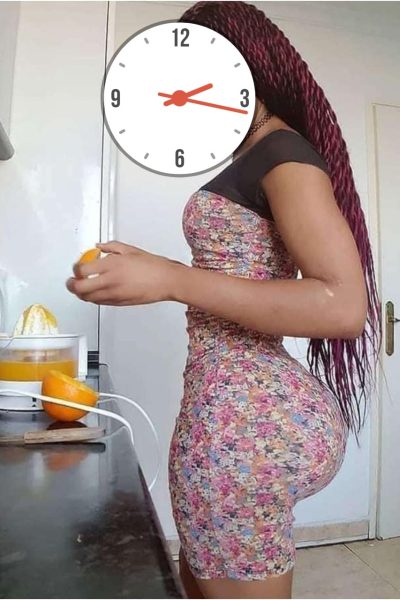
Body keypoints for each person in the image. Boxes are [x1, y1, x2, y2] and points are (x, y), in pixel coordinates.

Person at [67, 2, 382, 598]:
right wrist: (151, 268)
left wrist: (170, 279)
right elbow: (241, 266)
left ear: (245, 67)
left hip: (246, 423)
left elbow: (342, 307)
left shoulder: (282, 152)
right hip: (237, 410)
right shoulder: (259, 153)